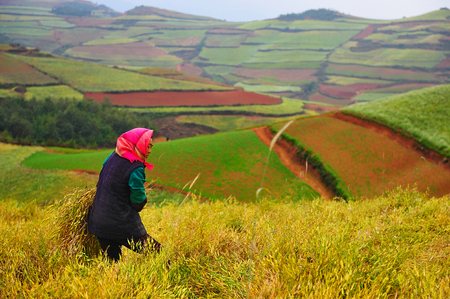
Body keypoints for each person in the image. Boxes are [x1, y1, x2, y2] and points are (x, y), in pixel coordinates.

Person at [88, 128, 161, 262]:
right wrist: (142, 200)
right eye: (147, 146)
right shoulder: (136, 167)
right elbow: (137, 201)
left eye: (151, 147)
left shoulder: (112, 156)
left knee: (111, 264)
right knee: (159, 254)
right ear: (137, 145)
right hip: (120, 224)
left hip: (98, 222)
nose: (150, 150)